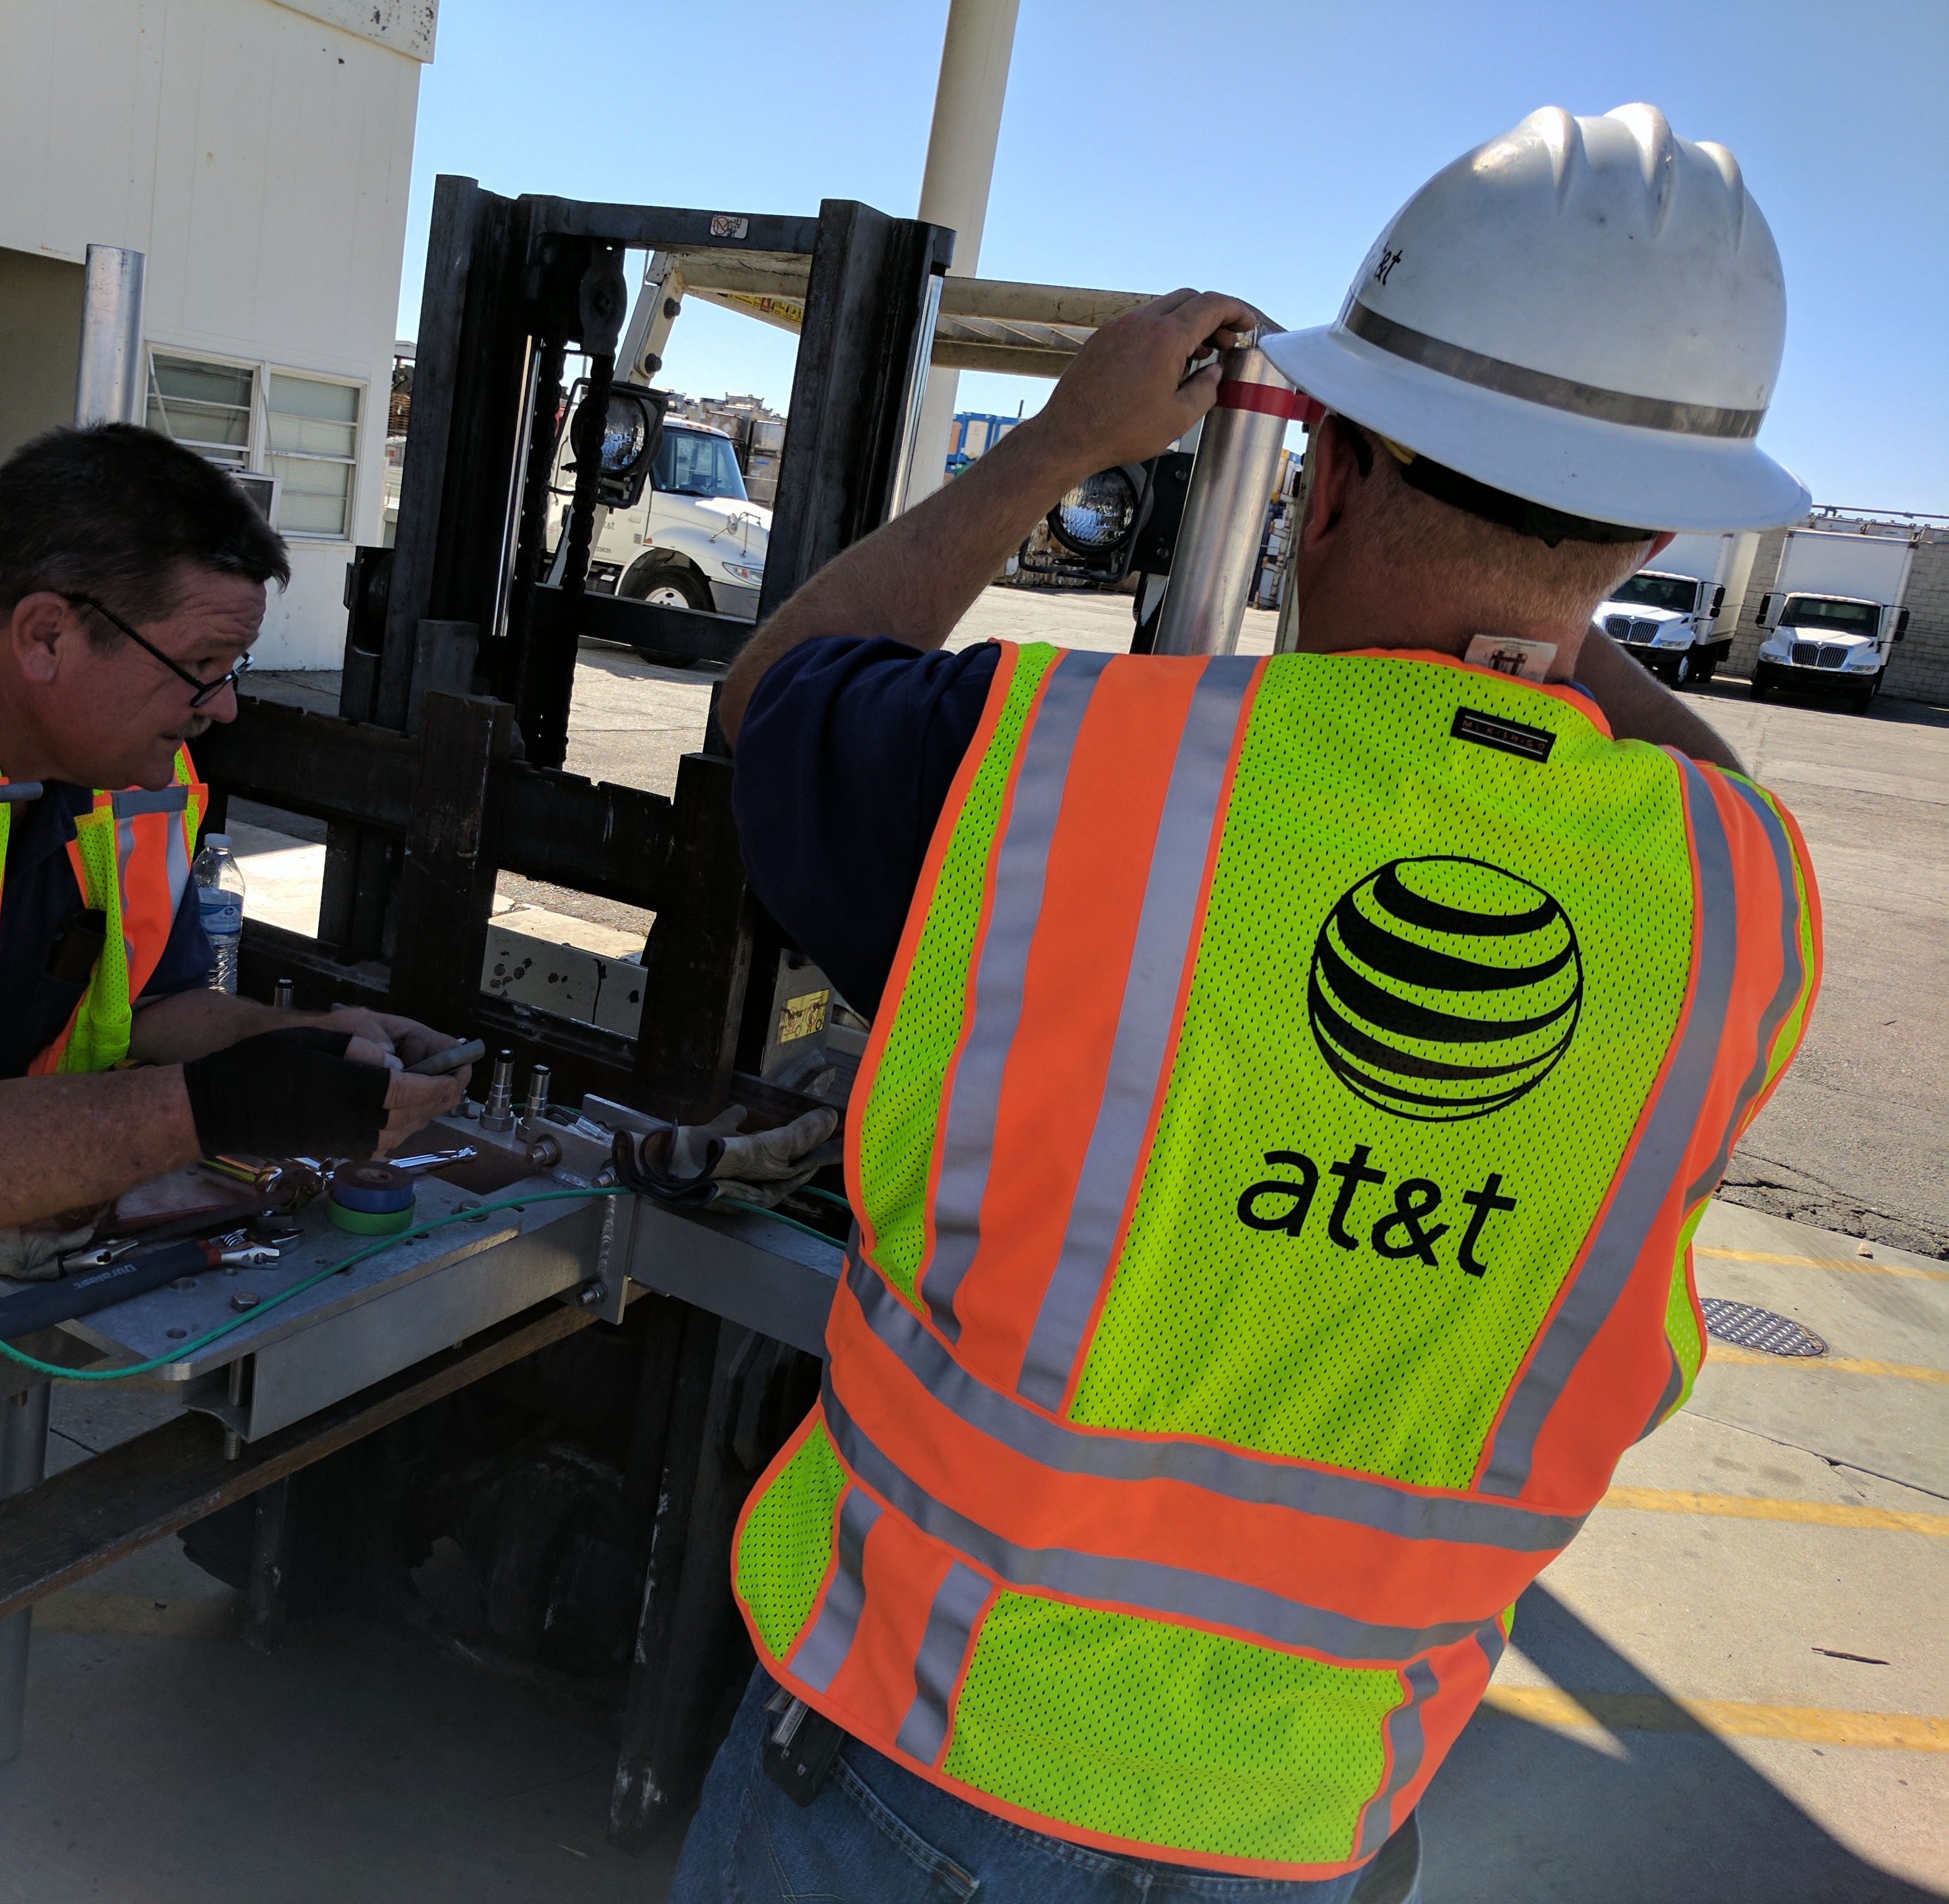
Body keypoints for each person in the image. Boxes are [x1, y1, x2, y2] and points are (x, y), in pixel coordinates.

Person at [674, 105, 1821, 1901]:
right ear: (1661, 528)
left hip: (930, 1758)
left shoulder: (1051, 772)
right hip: (1317, 1816)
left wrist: (1062, 439)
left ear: (1335, 466)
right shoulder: (1739, 904)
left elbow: (776, 697)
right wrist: (1553, 566)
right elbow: (1707, 780)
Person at [0, 423, 467, 1251]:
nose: (225, 704)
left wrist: (299, 1046)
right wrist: (224, 1107)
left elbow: (154, 1003)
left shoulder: (131, 777)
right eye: (204, 663)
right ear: (47, 635)